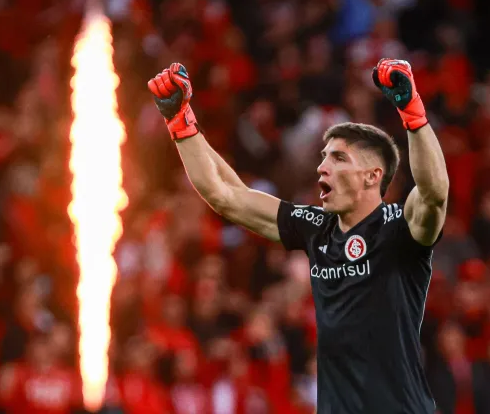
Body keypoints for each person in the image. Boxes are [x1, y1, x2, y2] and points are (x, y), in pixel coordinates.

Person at [147, 58, 448, 413]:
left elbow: (434, 192)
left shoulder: (401, 228)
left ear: (372, 176)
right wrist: (180, 121)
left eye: (338, 158)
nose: (322, 166)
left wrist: (412, 112)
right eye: (324, 157)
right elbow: (225, 195)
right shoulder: (316, 227)